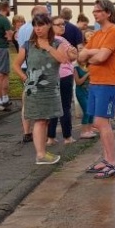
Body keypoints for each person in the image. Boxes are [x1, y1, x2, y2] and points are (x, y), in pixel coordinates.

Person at [13, 13, 77, 165]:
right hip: (34, 88)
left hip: (51, 88)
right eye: (35, 26)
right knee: (40, 120)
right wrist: (25, 79)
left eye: (40, 25)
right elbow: (16, 65)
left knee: (46, 120)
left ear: (48, 25)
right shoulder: (28, 45)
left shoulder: (56, 43)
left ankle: (42, 151)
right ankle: (40, 154)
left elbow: (63, 59)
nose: (37, 29)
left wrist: (48, 47)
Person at [77, 0, 115, 179]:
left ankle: (112, 162)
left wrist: (89, 55)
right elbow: (81, 56)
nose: (94, 14)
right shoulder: (96, 34)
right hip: (95, 82)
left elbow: (103, 57)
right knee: (98, 123)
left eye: (97, 11)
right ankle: (106, 159)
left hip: (108, 82)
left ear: (108, 13)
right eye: (94, 11)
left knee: (102, 122)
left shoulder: (114, 31)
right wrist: (90, 54)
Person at [16, 5, 48, 143]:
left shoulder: (22, 28)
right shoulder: (35, 29)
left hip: (23, 66)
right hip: (33, 67)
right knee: (39, 100)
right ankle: (40, 131)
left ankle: (26, 131)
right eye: (45, 14)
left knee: (26, 100)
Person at [46, 17, 77, 146]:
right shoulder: (61, 41)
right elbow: (72, 56)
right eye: (58, 24)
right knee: (65, 106)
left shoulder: (48, 41)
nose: (62, 26)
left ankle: (50, 137)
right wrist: (74, 52)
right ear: (51, 26)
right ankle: (67, 136)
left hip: (52, 76)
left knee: (53, 106)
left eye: (63, 24)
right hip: (64, 75)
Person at [74, 59, 95, 139]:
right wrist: (87, 74)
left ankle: (89, 129)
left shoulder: (89, 67)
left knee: (92, 111)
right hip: (81, 92)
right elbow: (78, 82)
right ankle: (83, 131)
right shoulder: (76, 69)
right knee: (87, 111)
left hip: (89, 91)